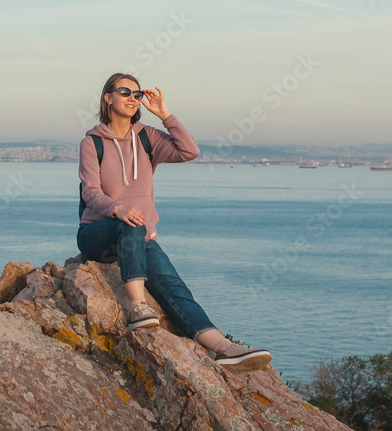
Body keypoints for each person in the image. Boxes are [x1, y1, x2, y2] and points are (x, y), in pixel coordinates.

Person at [77, 72, 272, 372]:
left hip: (138, 236)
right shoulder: (92, 142)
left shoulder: (146, 137)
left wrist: (165, 115)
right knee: (130, 225)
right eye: (125, 92)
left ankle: (224, 348)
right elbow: (90, 192)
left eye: (137, 94)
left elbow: (189, 151)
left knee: (175, 289)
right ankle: (137, 308)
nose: (133, 98)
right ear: (108, 97)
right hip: (97, 233)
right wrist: (117, 209)